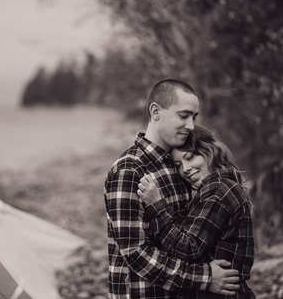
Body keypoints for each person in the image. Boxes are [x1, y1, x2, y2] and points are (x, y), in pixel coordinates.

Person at [104, 79, 240, 299]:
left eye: (194, 117)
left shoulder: (180, 166)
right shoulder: (130, 169)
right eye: (183, 115)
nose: (191, 126)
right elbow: (136, 253)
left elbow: (191, 235)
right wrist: (205, 278)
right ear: (156, 112)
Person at [137, 124, 255, 298]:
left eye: (190, 157)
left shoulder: (219, 190)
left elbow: (189, 248)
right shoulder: (217, 188)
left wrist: (156, 204)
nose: (185, 169)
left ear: (210, 151)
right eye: (178, 164)